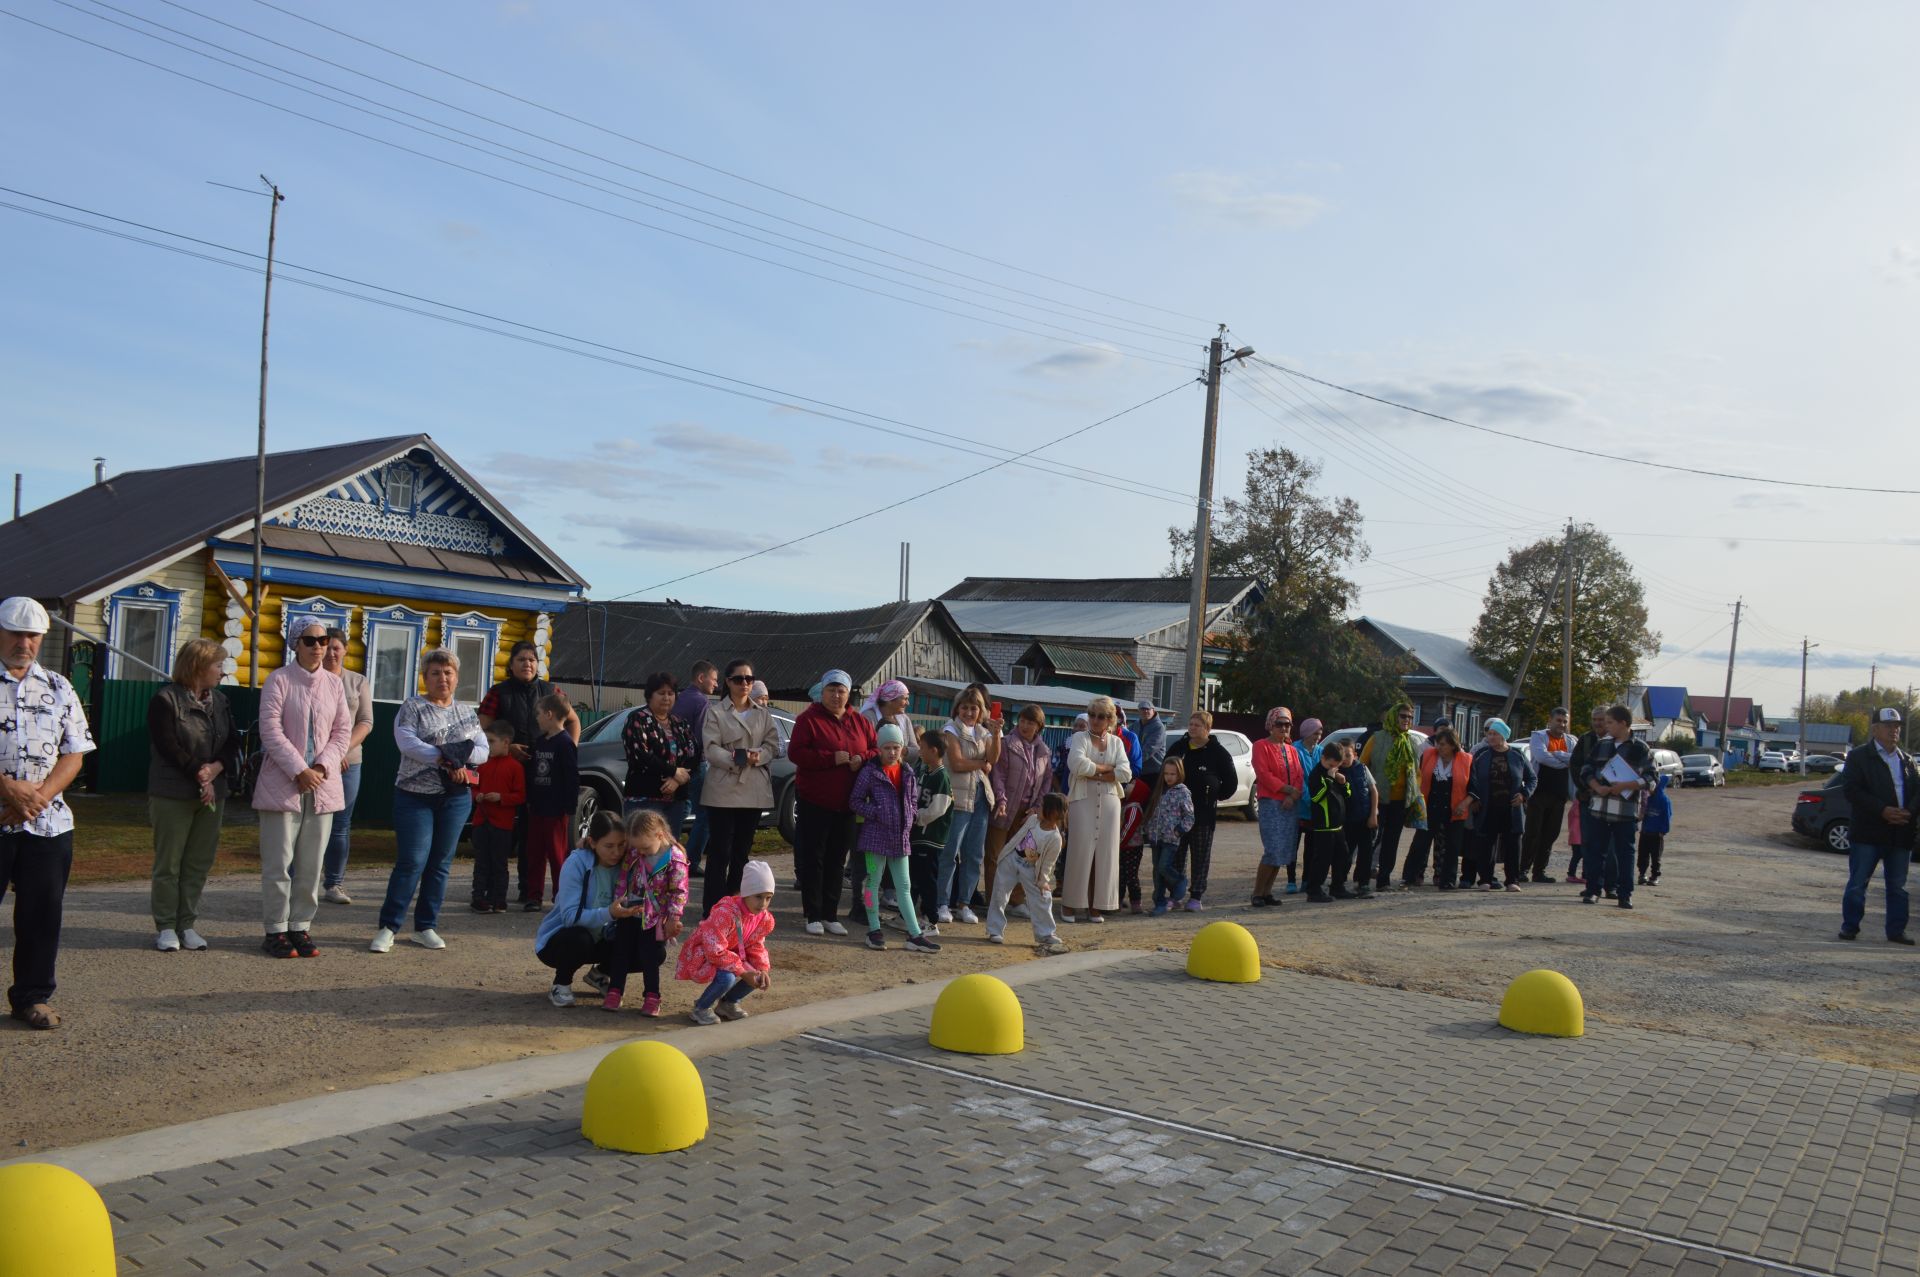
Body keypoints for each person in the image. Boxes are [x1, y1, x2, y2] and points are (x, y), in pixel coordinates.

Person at [0, 597, 95, 1029]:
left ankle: (32, 997)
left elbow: (74, 754)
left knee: (41, 916)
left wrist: (36, 799)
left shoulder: (58, 686)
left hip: (47, 824)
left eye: (32, 635)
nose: (24, 642)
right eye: (15, 632)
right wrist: (6, 787)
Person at [373, 648, 488, 952]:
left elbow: (482, 751)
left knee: (440, 864)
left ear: (456, 677)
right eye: (435, 673)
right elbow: (408, 743)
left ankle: (425, 926)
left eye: (448, 672)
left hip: (455, 798)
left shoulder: (466, 712)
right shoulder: (413, 707)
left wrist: (457, 758)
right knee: (412, 860)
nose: (442, 678)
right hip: (414, 797)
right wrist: (449, 757)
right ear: (425, 677)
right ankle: (388, 926)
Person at [255, 620, 353, 960]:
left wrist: (322, 767)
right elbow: (269, 730)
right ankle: (275, 929)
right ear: (296, 644)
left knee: (312, 863)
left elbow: (342, 731)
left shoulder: (334, 685)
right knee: (279, 862)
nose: (318, 646)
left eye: (323, 640)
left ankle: (300, 925)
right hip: (282, 784)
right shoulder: (279, 679)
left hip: (323, 785)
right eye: (310, 640)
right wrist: (299, 770)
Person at [146, 637, 241, 952]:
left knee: (198, 862)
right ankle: (165, 927)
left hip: (213, 793)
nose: (222, 672)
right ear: (199, 666)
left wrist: (215, 770)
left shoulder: (222, 702)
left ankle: (187, 924)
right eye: (218, 665)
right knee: (169, 863)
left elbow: (232, 743)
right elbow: (167, 745)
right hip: (172, 792)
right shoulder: (165, 700)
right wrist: (201, 773)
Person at [477, 640, 580, 904]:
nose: (527, 664)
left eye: (532, 660)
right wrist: (508, 750)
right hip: (507, 771)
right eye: (521, 660)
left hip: (544, 778)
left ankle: (532, 892)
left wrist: (568, 749)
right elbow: (483, 732)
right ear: (511, 665)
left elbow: (573, 721)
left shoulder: (550, 691)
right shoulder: (498, 693)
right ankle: (495, 890)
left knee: (542, 840)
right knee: (504, 834)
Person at [788, 668, 876, 936]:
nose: (836, 695)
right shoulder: (809, 719)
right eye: (832, 690)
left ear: (849, 694)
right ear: (822, 691)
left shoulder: (860, 721)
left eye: (842, 691)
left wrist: (863, 757)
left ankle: (830, 913)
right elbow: (796, 753)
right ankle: (812, 914)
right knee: (814, 858)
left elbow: (874, 748)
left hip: (848, 804)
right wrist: (829, 758)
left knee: (837, 860)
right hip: (815, 800)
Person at [847, 723, 941, 953]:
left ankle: (914, 934)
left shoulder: (908, 772)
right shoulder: (870, 772)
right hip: (874, 839)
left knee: (904, 886)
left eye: (896, 747)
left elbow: (911, 800)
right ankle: (874, 928)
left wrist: (910, 816)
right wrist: (876, 812)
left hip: (900, 838)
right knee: (873, 882)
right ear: (879, 748)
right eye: (886, 747)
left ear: (902, 748)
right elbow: (855, 801)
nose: (891, 752)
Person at [699, 659, 781, 917]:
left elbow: (773, 745)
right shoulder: (716, 712)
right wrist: (736, 759)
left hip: (753, 788)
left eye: (749, 679)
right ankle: (713, 909)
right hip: (723, 788)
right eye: (738, 679)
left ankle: (736, 905)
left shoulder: (763, 712)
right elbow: (710, 747)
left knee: (741, 853)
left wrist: (759, 755)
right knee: (719, 851)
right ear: (727, 682)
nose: (744, 683)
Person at [533, 811, 637, 1008]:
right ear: (592, 842)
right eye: (608, 846)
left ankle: (600, 973)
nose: (616, 852)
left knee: (654, 949)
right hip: (564, 939)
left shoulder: (628, 863)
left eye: (621, 845)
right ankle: (561, 984)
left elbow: (655, 842)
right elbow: (570, 917)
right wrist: (610, 913)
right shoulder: (576, 863)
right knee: (578, 938)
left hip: (605, 937)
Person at [1838, 707, 1919, 944]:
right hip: (1868, 832)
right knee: (1858, 883)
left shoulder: (1907, 760)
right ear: (1875, 729)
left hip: (1900, 832)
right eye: (1889, 726)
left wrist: (1909, 812)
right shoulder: (1859, 757)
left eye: (1897, 726)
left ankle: (1896, 931)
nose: (1894, 731)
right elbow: (1852, 790)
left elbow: (1917, 792)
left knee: (1898, 886)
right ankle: (1850, 927)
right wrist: (1882, 810)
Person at [608, 808, 689, 1014]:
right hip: (629, 912)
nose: (641, 852)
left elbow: (679, 890)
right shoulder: (635, 851)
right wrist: (618, 902)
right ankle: (614, 990)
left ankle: (652, 996)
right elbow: (624, 877)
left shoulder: (675, 857)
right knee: (620, 951)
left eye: (644, 847)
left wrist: (673, 917)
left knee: (649, 956)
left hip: (653, 918)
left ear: (659, 835)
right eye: (637, 848)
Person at [678, 858, 776, 1024]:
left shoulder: (762, 918)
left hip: (732, 955)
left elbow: (757, 945)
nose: (763, 904)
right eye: (758, 897)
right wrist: (744, 972)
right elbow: (714, 950)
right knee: (727, 978)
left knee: (758, 976)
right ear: (745, 893)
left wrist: (762, 968)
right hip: (706, 954)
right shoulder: (725, 914)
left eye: (768, 898)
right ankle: (701, 1008)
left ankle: (728, 1003)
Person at [1061, 696, 1131, 924]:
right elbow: (1076, 765)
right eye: (1092, 714)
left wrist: (1095, 771)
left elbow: (1126, 773)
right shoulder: (1079, 737)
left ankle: (1096, 906)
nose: (1096, 720)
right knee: (1079, 852)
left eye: (1102, 716)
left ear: (1111, 719)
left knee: (1105, 855)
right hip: (1083, 799)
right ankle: (1070, 904)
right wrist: (1106, 769)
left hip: (1110, 802)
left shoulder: (1117, 743)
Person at [1576, 705, 1654, 910]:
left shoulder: (1640, 748)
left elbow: (1651, 778)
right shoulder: (1602, 744)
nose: (1605, 726)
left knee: (1625, 853)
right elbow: (1586, 770)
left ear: (1623, 724)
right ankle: (1593, 890)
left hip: (1625, 811)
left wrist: (1627, 785)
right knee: (1595, 851)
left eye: (1610, 722)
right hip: (1599, 808)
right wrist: (1596, 787)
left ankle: (1624, 894)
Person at [936, 687, 1003, 924]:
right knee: (949, 852)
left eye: (974, 707)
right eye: (964, 707)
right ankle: (942, 903)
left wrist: (996, 735)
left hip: (980, 798)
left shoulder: (984, 731)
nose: (969, 711)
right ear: (957, 709)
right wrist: (981, 763)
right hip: (957, 798)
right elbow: (957, 763)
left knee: (974, 855)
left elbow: (993, 760)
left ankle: (964, 903)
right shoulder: (950, 729)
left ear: (981, 710)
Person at [319, 628, 374, 906]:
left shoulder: (357, 681)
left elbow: (365, 721)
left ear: (345, 650)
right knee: (307, 822)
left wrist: (341, 749)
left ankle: (334, 883)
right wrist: (327, 753)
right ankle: (296, 879)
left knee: (340, 825)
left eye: (336, 648)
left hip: (348, 763)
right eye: (326, 647)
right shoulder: (311, 679)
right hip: (315, 763)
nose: (330, 653)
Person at [985, 705, 1054, 915]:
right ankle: (995, 901)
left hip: (1027, 813)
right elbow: (998, 775)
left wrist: (1036, 808)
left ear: (1038, 726)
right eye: (1022, 720)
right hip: (1005, 807)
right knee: (996, 855)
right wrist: (1001, 800)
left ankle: (1017, 900)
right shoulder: (1007, 743)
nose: (1025, 726)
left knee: (1024, 857)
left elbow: (1045, 782)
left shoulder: (1044, 750)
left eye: (1030, 722)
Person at [1166, 709, 1235, 911]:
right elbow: (1166, 772)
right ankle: (1175, 895)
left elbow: (1230, 783)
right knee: (1176, 855)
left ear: (1207, 728)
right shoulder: (1179, 748)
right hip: (1176, 815)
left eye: (1198, 725)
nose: (1193, 728)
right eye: (1191, 724)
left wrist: (1212, 796)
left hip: (1203, 815)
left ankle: (1196, 896)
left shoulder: (1218, 752)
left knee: (1200, 856)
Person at [985, 792, 1069, 953]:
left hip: (1031, 870)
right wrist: (1004, 856)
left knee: (1042, 898)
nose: (1038, 809)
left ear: (1052, 812)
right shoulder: (1032, 821)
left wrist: (1043, 880)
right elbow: (1017, 838)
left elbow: (1048, 864)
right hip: (1011, 861)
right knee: (999, 893)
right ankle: (994, 930)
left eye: (1042, 806)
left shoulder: (1055, 838)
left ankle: (1046, 934)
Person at [620, 672, 697, 835]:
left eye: (670, 693)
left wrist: (677, 779)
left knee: (669, 852)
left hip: (676, 799)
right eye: (661, 693)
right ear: (649, 695)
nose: (666, 698)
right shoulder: (637, 719)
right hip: (644, 799)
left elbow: (694, 753)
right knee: (642, 851)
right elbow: (640, 755)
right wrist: (673, 771)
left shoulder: (679, 723)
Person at [1359, 704, 1425, 890]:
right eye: (1403, 716)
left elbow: (1416, 771)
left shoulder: (1411, 741)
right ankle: (1362, 880)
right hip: (1377, 799)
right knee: (1370, 840)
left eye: (1410, 717)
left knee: (1391, 842)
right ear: (1393, 717)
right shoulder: (1377, 738)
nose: (1406, 720)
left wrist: (1415, 793)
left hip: (1400, 801)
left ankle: (1383, 880)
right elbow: (1362, 766)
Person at [524, 693, 579, 910]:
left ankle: (560, 896)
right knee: (535, 853)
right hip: (537, 806)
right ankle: (533, 896)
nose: (536, 719)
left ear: (549, 714)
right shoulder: (539, 742)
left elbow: (571, 776)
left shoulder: (565, 744)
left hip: (556, 809)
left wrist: (569, 805)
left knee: (557, 854)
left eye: (538, 714)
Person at [1466, 719, 1536, 892]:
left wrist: (1524, 794)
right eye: (1489, 733)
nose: (1491, 737)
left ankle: (1512, 880)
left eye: (1495, 734)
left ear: (1503, 736)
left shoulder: (1517, 755)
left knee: (1513, 843)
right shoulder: (1481, 755)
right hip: (1487, 806)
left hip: (1511, 808)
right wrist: (1473, 799)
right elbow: (1471, 779)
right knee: (1486, 844)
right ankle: (1485, 880)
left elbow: (1532, 778)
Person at [1250, 706, 1305, 907]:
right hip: (1271, 803)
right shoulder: (1261, 746)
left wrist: (1293, 794)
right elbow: (1263, 774)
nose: (1284, 728)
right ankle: (1257, 892)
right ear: (1270, 725)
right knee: (1272, 849)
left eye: (1287, 724)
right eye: (1279, 724)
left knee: (1283, 851)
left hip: (1290, 804)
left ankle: (1267, 892)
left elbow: (1299, 774)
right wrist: (1287, 790)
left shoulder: (1292, 749)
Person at [468, 720, 524, 914]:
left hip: (502, 824)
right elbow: (473, 788)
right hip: (481, 821)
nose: (488, 746)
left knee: (499, 863)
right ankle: (479, 897)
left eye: (491, 741)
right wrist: (479, 796)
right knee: (482, 862)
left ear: (506, 742)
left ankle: (498, 898)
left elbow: (520, 795)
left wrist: (501, 798)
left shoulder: (515, 767)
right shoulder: (482, 765)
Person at [673, 660, 719, 878]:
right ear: (701, 678)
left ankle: (669, 855)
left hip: (675, 763)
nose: (716, 685)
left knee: (680, 810)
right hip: (696, 764)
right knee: (706, 815)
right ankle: (690, 861)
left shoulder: (679, 698)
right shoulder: (701, 702)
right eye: (714, 679)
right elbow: (702, 737)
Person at [904, 730, 952, 934]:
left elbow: (937, 809)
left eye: (922, 748)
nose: (919, 751)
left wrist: (915, 816)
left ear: (934, 751)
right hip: (918, 837)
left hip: (930, 838)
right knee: (913, 877)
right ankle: (908, 915)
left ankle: (931, 920)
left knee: (927, 880)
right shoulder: (924, 771)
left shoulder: (941, 776)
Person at [1522, 707, 1574, 884]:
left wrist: (1558, 755)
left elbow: (1575, 760)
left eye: (1565, 721)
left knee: (1550, 835)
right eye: (1558, 720)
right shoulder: (1538, 736)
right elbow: (1542, 757)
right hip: (1538, 794)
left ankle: (1539, 872)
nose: (1562, 724)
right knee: (1532, 833)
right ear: (1550, 720)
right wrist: (1564, 761)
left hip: (1559, 795)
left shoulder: (1571, 740)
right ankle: (1522, 870)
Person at [1414, 726, 1470, 890]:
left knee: (1451, 847)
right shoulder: (1428, 755)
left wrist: (1464, 803)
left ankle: (1447, 880)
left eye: (1443, 744)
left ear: (1453, 745)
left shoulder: (1466, 760)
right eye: (1438, 743)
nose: (1439, 747)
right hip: (1430, 806)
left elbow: (1474, 787)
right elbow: (1417, 777)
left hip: (1454, 809)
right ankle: (1411, 876)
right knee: (1420, 843)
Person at [1144, 758, 1196, 916]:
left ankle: (1179, 881)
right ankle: (1159, 902)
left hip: (1171, 839)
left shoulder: (1183, 792)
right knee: (1157, 872)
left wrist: (1179, 830)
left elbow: (1189, 816)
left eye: (1173, 774)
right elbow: (1152, 812)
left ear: (1179, 773)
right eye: (1166, 773)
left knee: (1163, 866)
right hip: (1156, 837)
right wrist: (1147, 830)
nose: (1169, 777)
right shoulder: (1160, 789)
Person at [1303, 742, 1351, 902]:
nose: (1333, 768)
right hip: (1324, 826)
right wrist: (1330, 779)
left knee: (1343, 857)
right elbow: (1316, 797)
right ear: (1323, 758)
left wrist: (1343, 783)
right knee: (1322, 860)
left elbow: (1347, 796)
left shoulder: (1336, 773)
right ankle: (1314, 890)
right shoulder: (1316, 774)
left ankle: (1338, 887)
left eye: (1337, 766)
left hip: (1338, 825)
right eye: (1331, 765)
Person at [1565, 708, 1608, 886]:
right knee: (1588, 842)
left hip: (1610, 799)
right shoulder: (1586, 739)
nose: (1597, 723)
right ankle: (1590, 882)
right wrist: (1586, 787)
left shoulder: (1616, 741)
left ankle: (1608, 882)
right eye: (1594, 719)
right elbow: (1575, 766)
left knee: (1608, 844)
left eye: (1601, 719)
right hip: (1586, 797)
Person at [1336, 744, 1378, 899]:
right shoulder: (1336, 773)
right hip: (1347, 822)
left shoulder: (1362, 769)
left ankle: (1363, 883)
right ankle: (1339, 882)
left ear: (1355, 754)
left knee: (1366, 852)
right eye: (1342, 756)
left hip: (1365, 819)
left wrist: (1373, 814)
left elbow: (1373, 791)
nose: (1345, 759)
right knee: (1345, 853)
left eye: (1348, 755)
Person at [1118, 774, 1150, 913]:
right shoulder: (1126, 805)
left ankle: (1136, 902)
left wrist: (1118, 843)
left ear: (1137, 791)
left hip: (1132, 847)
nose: (1127, 785)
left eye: (1131, 784)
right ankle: (1118, 901)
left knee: (1131, 875)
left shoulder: (1133, 809)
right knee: (1120, 875)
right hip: (1124, 846)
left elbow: (1128, 828)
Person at [1637, 772, 1672, 887]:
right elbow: (1642, 813)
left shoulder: (1664, 800)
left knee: (1656, 857)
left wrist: (1663, 831)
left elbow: (1667, 816)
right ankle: (1642, 874)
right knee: (1643, 855)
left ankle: (1654, 876)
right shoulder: (1648, 798)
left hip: (1657, 834)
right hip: (1645, 832)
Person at [1053, 713, 1088, 792]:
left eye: (1082, 726)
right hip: (1065, 794)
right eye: (1075, 726)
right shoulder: (1063, 749)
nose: (1077, 729)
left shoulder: (1094, 750)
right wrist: (1060, 793)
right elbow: (1053, 772)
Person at [1136, 700, 1167, 777]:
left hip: (1154, 771)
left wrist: (1133, 762)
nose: (1145, 711)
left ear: (1153, 710)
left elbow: (1149, 749)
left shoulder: (1158, 727)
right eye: (1143, 709)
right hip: (1139, 770)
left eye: (1148, 709)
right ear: (1139, 711)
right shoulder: (1136, 725)